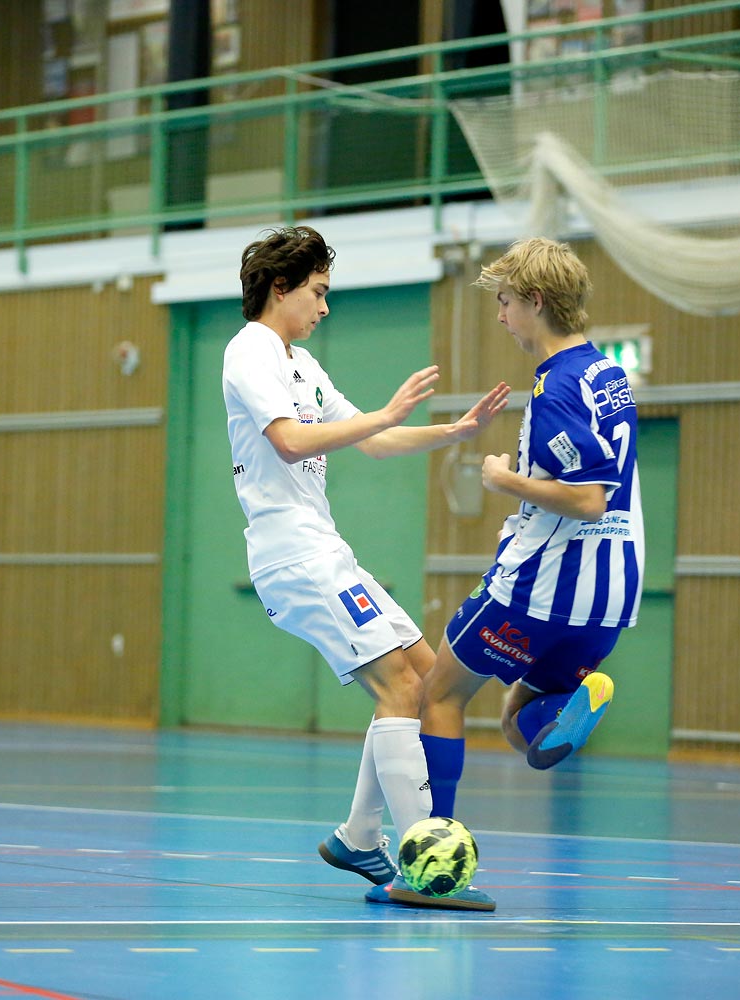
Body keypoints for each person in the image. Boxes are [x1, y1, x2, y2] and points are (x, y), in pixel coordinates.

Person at [222, 226, 511, 902]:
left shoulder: (300, 363)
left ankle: (358, 836)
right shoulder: (249, 352)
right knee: (400, 688)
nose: (324, 308)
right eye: (318, 293)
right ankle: (423, 868)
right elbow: (292, 442)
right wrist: (381, 415)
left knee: (421, 671)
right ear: (281, 287)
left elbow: (374, 440)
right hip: (292, 555)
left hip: (322, 547)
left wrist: (452, 431)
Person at [370, 237, 644, 912]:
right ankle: (565, 709)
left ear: (536, 303)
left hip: (540, 589)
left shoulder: (555, 389)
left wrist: (504, 479)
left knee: (439, 693)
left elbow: (588, 497)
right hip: (609, 599)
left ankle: (431, 865)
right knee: (520, 722)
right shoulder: (608, 373)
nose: (499, 315)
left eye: (505, 302)